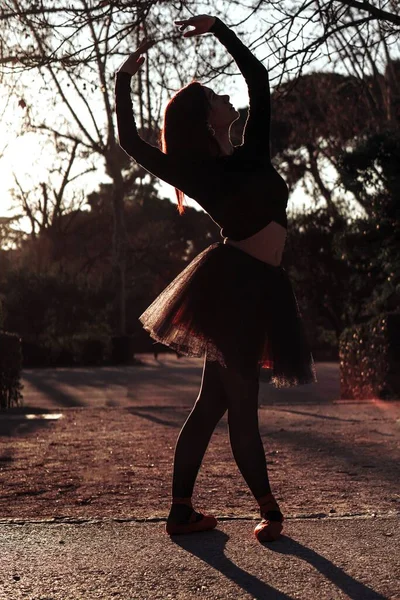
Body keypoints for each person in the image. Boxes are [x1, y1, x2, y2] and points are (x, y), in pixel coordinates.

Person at [115, 14, 317, 543]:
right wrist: (123, 81)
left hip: (259, 288)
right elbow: (130, 142)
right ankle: (269, 510)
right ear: (206, 119)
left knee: (212, 404)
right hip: (235, 291)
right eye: (213, 96)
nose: (225, 97)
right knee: (240, 410)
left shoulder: (253, 148)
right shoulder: (198, 172)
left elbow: (259, 79)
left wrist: (220, 28)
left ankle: (181, 511)